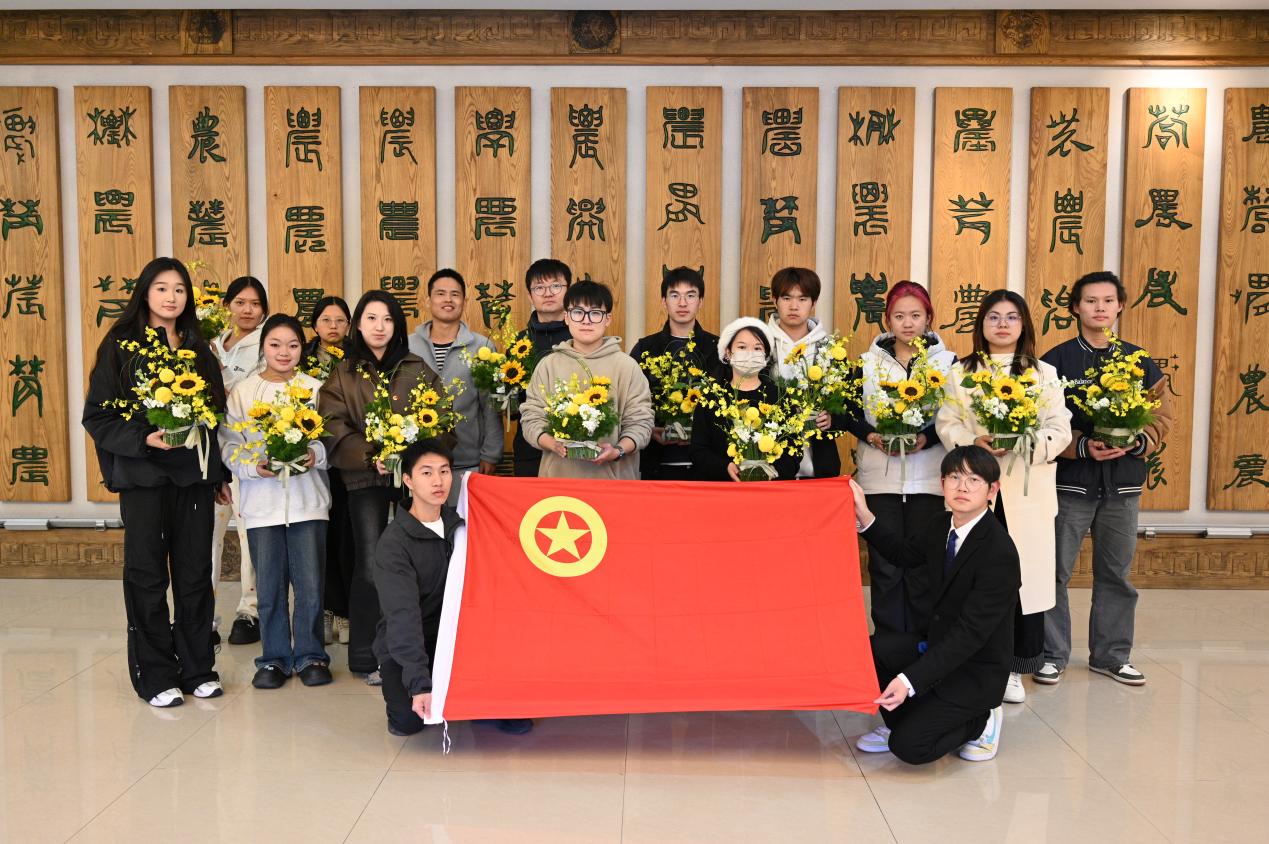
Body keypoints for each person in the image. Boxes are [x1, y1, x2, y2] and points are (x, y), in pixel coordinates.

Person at [82, 256, 228, 707]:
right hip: (144, 475)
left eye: (180, 289)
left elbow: (215, 416)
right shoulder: (120, 344)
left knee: (195, 572)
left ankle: (198, 667)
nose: (172, 297)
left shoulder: (197, 345)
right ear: (145, 293)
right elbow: (98, 416)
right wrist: (143, 437)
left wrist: (218, 473)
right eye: (162, 288)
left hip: (193, 478)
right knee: (146, 575)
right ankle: (155, 674)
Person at [1037, 271, 1173, 687]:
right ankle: (1051, 655)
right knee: (1054, 573)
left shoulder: (1138, 360)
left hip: (1122, 486)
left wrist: (1135, 440)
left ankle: (1111, 656)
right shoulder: (1055, 361)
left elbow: (1162, 417)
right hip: (1071, 483)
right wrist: (1081, 445)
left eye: (1108, 300)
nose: (1100, 308)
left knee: (1116, 575)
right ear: (1075, 307)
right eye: (1091, 301)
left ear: (1120, 306)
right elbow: (1043, 420)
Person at [936, 290, 1072, 704]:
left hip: (1026, 491)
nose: (1002, 325)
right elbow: (947, 422)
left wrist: (1025, 441)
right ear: (981, 324)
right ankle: (969, 661)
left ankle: (1013, 667)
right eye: (993, 317)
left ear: (1024, 324)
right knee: (975, 579)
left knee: (1021, 581)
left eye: (1011, 317)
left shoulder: (1043, 373)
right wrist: (972, 441)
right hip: (976, 490)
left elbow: (1060, 429)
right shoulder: (961, 372)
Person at [850, 445, 1021, 764]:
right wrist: (863, 513)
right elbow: (901, 554)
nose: (962, 487)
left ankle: (981, 721)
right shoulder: (940, 525)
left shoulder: (999, 553)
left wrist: (908, 681)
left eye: (974, 480)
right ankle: (905, 721)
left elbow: (969, 635)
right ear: (942, 484)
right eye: (954, 477)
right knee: (873, 650)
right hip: (938, 645)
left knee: (909, 748)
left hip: (975, 668)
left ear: (992, 489)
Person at [319, 291, 444, 685]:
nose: (379, 326)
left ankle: (422, 651)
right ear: (358, 324)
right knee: (371, 564)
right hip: (365, 479)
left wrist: (416, 459)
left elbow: (441, 418)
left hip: (412, 482)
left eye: (387, 319)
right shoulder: (344, 372)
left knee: (419, 563)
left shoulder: (416, 368)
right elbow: (332, 423)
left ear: (397, 326)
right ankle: (366, 657)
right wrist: (369, 453)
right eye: (371, 318)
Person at [373, 439, 533, 737]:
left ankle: (475, 699)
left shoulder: (463, 524)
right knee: (409, 723)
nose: (438, 481)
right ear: (407, 480)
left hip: (463, 639)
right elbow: (402, 617)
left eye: (444, 471)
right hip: (414, 640)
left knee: (516, 716)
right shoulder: (394, 544)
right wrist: (419, 684)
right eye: (427, 473)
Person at [220, 314, 333, 690]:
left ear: (302, 349)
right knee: (268, 588)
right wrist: (253, 468)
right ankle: (274, 658)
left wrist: (315, 454)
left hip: (308, 502)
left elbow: (331, 440)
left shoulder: (316, 389)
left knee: (311, 587)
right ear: (262, 347)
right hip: (261, 505)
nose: (284, 352)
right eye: (275, 344)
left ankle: (311, 655)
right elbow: (229, 445)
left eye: (293, 345)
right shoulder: (243, 392)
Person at [845, 281, 955, 635]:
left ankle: (922, 644)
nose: (908, 323)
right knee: (884, 567)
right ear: (887, 320)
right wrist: (872, 435)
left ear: (928, 318)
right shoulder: (867, 364)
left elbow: (955, 415)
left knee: (924, 566)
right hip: (880, 480)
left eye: (916, 315)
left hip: (929, 480)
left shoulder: (948, 363)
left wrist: (927, 437)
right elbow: (849, 414)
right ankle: (889, 645)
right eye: (899, 316)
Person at [520, 279, 654, 480]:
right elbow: (531, 417)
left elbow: (641, 422)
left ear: (607, 319)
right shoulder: (548, 365)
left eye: (595, 313)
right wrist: (553, 444)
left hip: (614, 483)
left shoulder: (627, 367)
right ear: (566, 317)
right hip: (558, 483)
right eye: (578, 312)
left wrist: (617, 450)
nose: (586, 320)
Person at [407, 269, 503, 502]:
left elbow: (491, 406)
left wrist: (491, 454)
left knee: (464, 524)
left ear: (464, 302)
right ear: (428, 301)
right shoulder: (408, 346)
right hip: (418, 461)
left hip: (467, 462)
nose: (448, 300)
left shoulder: (482, 347)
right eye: (440, 294)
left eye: (455, 294)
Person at [211, 275, 268, 647]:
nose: (248, 310)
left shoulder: (268, 344)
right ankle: (204, 614)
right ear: (227, 306)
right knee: (206, 538)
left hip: (249, 453)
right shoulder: (211, 343)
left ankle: (251, 611)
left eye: (255, 304)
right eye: (240, 302)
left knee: (250, 537)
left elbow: (258, 391)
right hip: (209, 455)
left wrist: (224, 383)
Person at [631, 267, 721, 480]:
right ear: (664, 301)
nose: (682, 303)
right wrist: (649, 429)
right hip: (657, 463)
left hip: (708, 465)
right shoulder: (645, 348)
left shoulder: (718, 348)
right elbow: (630, 402)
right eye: (674, 295)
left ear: (700, 301)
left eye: (690, 295)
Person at [690, 317, 798, 482]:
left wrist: (771, 472)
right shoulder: (711, 398)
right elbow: (698, 451)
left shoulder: (779, 397)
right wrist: (725, 468)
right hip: (722, 490)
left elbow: (794, 450)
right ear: (728, 353)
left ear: (765, 355)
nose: (749, 354)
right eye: (742, 347)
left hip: (771, 491)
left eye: (757, 348)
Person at [765, 267, 848, 478]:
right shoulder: (759, 344)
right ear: (774, 300)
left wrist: (832, 419)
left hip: (819, 465)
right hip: (769, 464)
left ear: (814, 302)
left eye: (802, 299)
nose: (794, 306)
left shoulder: (830, 349)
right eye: (786, 298)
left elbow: (848, 404)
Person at [305, 296, 355, 648]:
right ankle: (324, 608)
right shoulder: (301, 358)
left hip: (346, 460)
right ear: (315, 324)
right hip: (310, 463)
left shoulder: (358, 359)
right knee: (317, 539)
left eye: (340, 320)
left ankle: (346, 612)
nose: (333, 326)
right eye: (326, 319)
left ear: (349, 325)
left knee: (346, 537)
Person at [511, 259, 574, 477]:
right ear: (530, 296)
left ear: (568, 291)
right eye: (539, 287)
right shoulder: (519, 343)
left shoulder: (583, 337)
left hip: (575, 447)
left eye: (556, 286)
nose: (548, 293)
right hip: (529, 449)